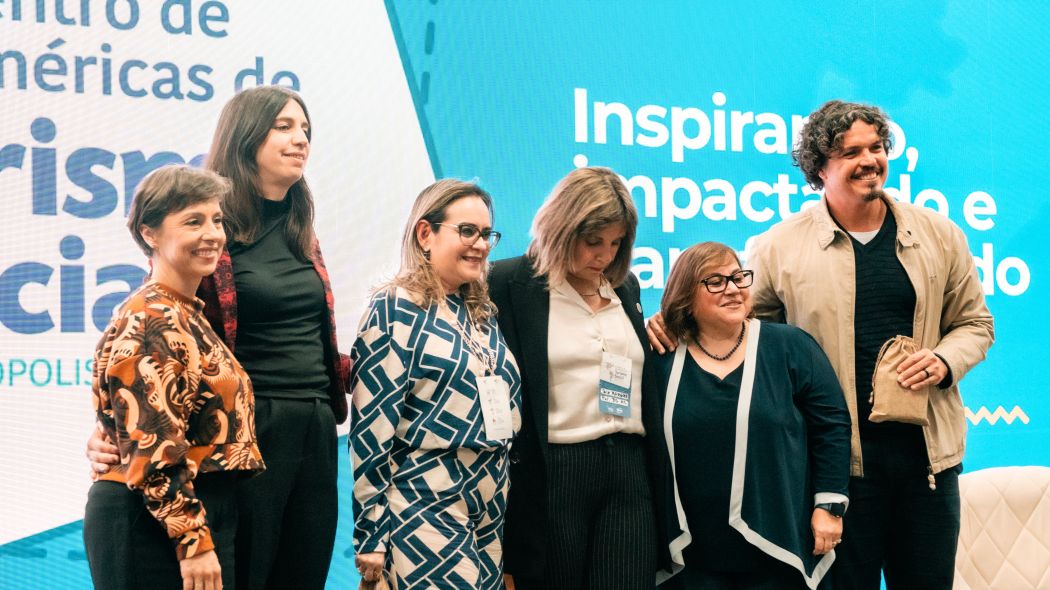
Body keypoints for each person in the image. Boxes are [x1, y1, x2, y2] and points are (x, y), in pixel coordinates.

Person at [649, 101, 994, 589]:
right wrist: (671, 320)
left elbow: (976, 323)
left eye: (877, 147)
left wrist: (944, 359)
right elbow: (734, 318)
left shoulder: (940, 234)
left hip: (928, 465)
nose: (869, 160)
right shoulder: (778, 247)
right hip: (836, 469)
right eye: (851, 152)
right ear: (819, 169)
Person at [88, 85, 351, 590]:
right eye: (284, 126)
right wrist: (115, 428)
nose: (301, 139)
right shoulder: (208, 232)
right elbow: (151, 343)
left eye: (306, 129)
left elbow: (307, 342)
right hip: (244, 431)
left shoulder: (301, 228)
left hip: (316, 422)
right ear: (246, 136)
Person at [84, 165, 265, 590]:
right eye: (193, 221)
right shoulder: (151, 317)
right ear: (150, 233)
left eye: (217, 220)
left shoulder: (185, 312)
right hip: (154, 523)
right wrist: (192, 541)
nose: (213, 234)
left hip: (191, 513)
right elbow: (154, 444)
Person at [488, 166, 662, 590]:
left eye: (616, 243)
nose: (604, 255)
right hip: (556, 470)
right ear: (562, 229)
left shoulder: (626, 288)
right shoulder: (508, 282)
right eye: (593, 241)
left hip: (628, 467)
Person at [350, 179, 522, 590]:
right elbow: (372, 426)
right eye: (467, 231)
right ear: (425, 234)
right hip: (425, 499)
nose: (480, 245)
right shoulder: (394, 307)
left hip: (490, 506)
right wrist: (371, 533)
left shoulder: (480, 313)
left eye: (487, 234)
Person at [652, 242, 850, 590]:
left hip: (775, 548)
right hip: (693, 556)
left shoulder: (790, 346)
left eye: (738, 277)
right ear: (685, 296)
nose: (732, 289)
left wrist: (829, 506)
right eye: (715, 281)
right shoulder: (661, 356)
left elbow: (832, 426)